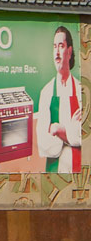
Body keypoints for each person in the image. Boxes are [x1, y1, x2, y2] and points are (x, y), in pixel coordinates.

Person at [37, 26, 83, 173]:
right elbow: (43, 145)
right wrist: (71, 132)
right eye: (54, 47)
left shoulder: (82, 92)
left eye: (61, 46)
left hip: (78, 176)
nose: (56, 53)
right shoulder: (46, 92)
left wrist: (57, 129)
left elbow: (84, 137)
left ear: (69, 52)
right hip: (53, 178)